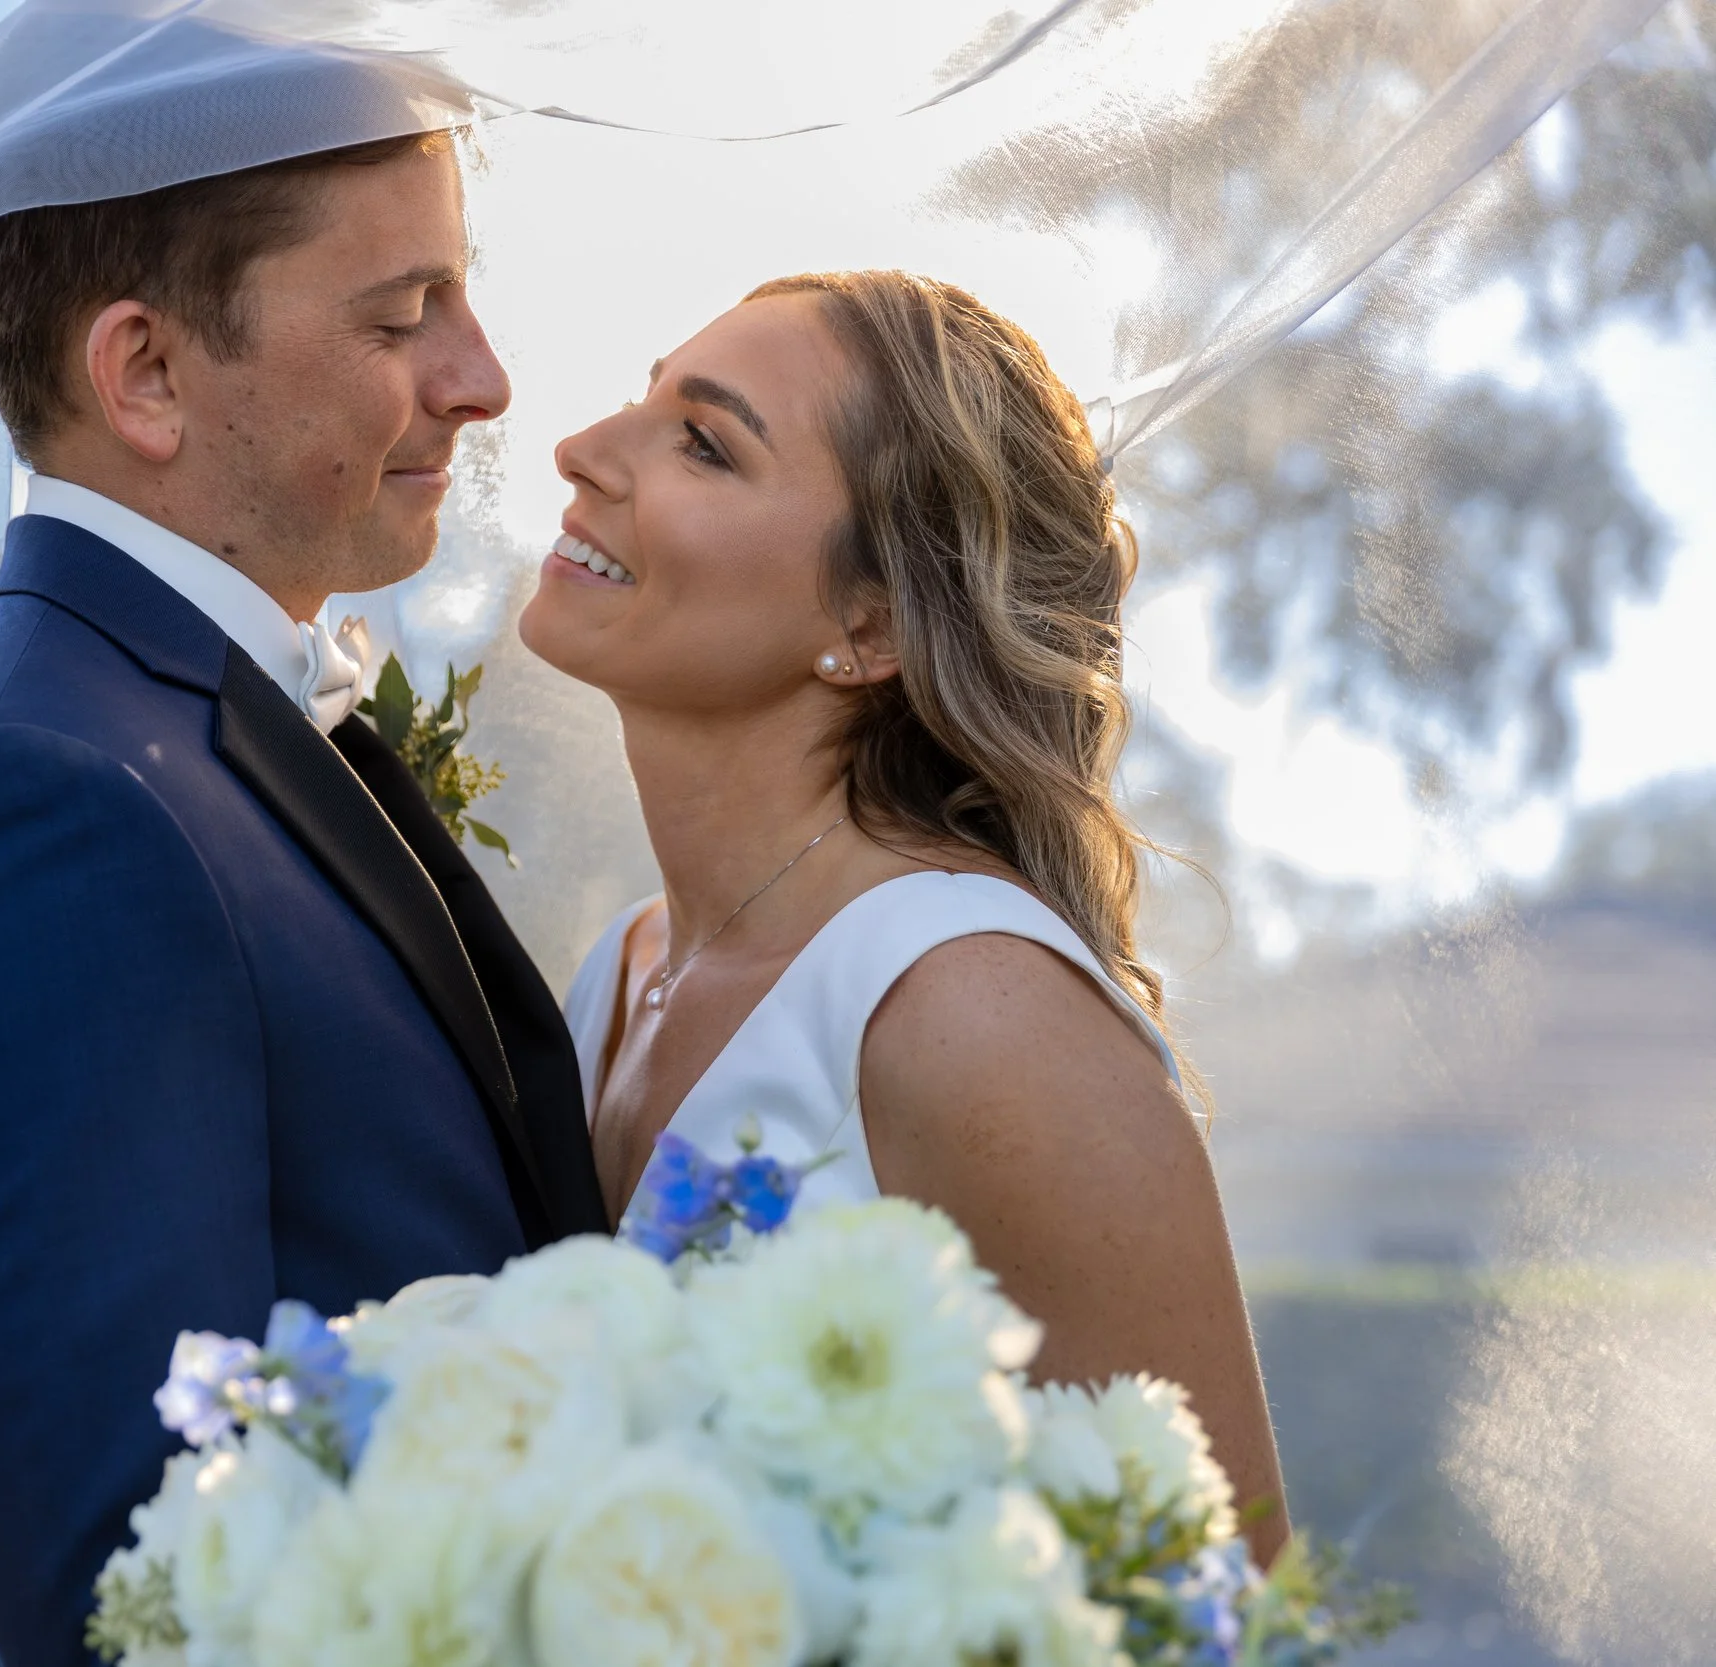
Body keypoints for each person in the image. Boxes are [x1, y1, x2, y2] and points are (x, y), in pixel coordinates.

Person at [0, 125, 609, 1666]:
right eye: (402, 313)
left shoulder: (189, 725)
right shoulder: (37, 806)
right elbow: (143, 1598)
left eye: (464, 294)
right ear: (146, 375)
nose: (483, 376)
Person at [525, 268, 1290, 1562]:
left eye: (703, 444)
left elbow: (1224, 1604)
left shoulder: (973, 1011)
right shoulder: (620, 971)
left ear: (867, 621)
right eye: (640, 403)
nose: (583, 451)